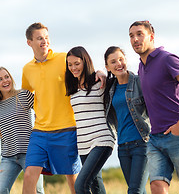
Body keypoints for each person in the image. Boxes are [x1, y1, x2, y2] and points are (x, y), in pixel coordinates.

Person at [129, 21, 179, 194]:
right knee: (156, 185)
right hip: (155, 137)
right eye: (131, 36)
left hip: (178, 134)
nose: (135, 39)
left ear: (151, 36)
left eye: (140, 34)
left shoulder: (167, 59)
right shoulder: (141, 66)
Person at [21, 22, 81, 194]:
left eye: (46, 37)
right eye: (39, 38)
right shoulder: (27, 69)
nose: (44, 41)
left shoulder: (64, 59)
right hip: (39, 131)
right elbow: (25, 94)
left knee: (72, 178)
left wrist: (99, 74)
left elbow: (83, 71)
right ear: (29, 42)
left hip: (67, 128)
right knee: (29, 175)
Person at [65, 46, 115, 194]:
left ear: (85, 62)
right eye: (70, 64)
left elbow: (116, 80)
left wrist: (101, 72)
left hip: (102, 139)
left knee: (80, 185)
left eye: (77, 63)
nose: (73, 68)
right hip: (83, 143)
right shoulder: (72, 88)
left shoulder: (99, 82)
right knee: (96, 186)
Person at [0, 67, 44, 194]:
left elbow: (43, 108)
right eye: (0, 79)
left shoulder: (23, 95)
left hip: (30, 153)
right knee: (1, 191)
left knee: (37, 191)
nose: (5, 81)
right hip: (8, 157)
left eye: (7, 77)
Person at [104, 46, 150, 194]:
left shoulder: (139, 82)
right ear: (108, 67)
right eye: (113, 62)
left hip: (142, 143)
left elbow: (154, 105)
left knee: (134, 191)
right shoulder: (110, 89)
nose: (119, 64)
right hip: (123, 146)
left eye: (121, 59)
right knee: (139, 191)